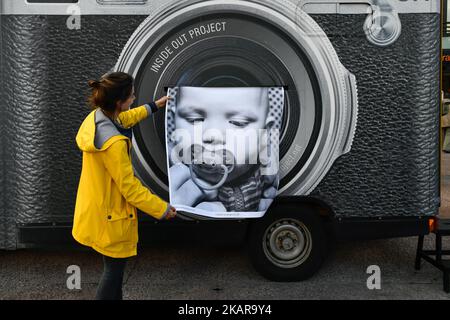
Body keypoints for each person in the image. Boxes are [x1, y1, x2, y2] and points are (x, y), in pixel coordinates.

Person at [72, 72, 176, 300]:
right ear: (120, 102)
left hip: (96, 208)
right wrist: (162, 209)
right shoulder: (114, 144)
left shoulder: (98, 119)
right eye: (131, 96)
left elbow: (125, 119)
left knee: (114, 271)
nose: (134, 98)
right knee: (114, 272)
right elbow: (130, 188)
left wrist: (154, 106)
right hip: (111, 215)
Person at [167, 87, 281, 213]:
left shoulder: (268, 166)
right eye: (194, 120)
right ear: (174, 125)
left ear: (265, 133)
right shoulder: (164, 166)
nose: (213, 136)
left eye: (238, 123)